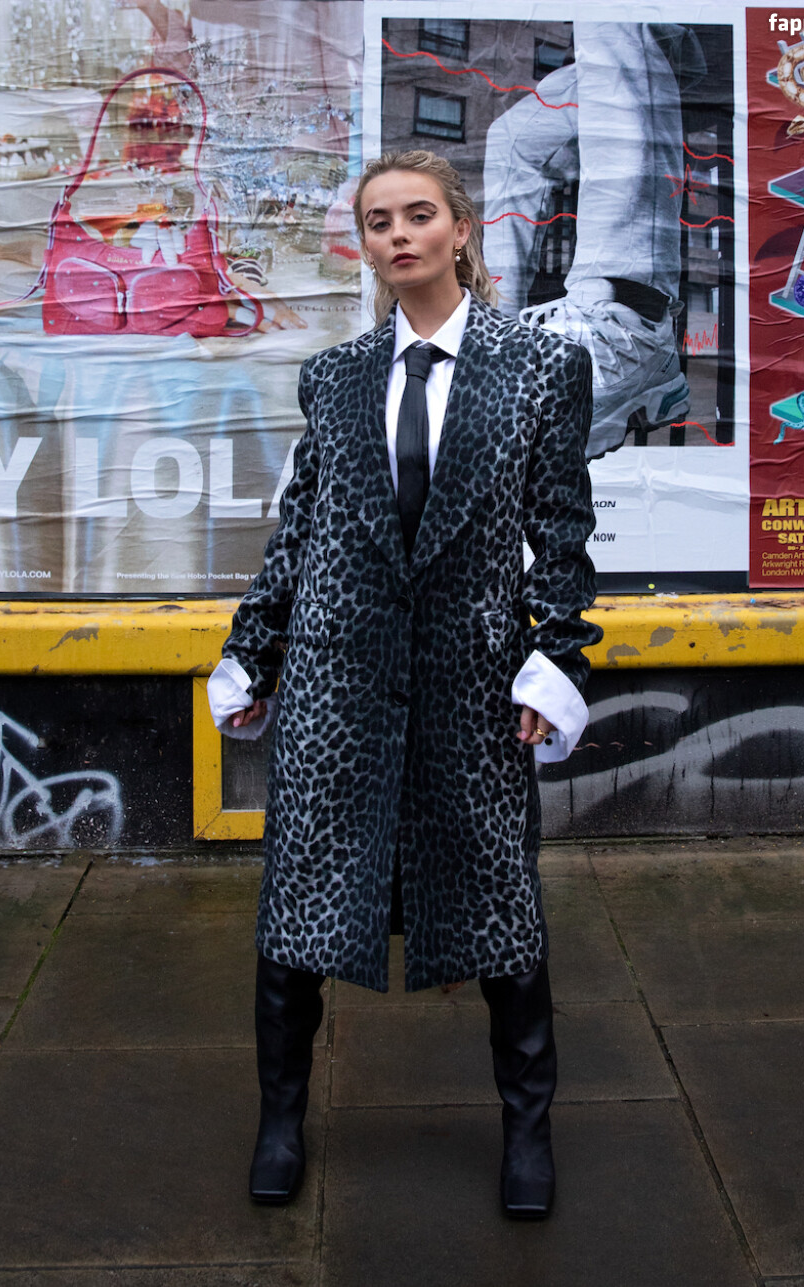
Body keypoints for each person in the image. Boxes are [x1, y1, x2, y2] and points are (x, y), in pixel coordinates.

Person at [207, 149, 603, 1220]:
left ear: (460, 230)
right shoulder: (334, 377)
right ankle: (280, 1121)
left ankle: (527, 1132)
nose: (397, 235)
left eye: (417, 215)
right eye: (378, 220)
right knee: (298, 910)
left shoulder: (540, 366)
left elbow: (561, 533)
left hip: (472, 686)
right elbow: (303, 531)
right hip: (336, 682)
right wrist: (254, 649)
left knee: (499, 910)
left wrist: (556, 660)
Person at [483, 22, 704, 456]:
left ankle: (632, 325)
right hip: (599, 49)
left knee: (609, 23)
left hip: (656, 34)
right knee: (512, 139)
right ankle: (503, 341)